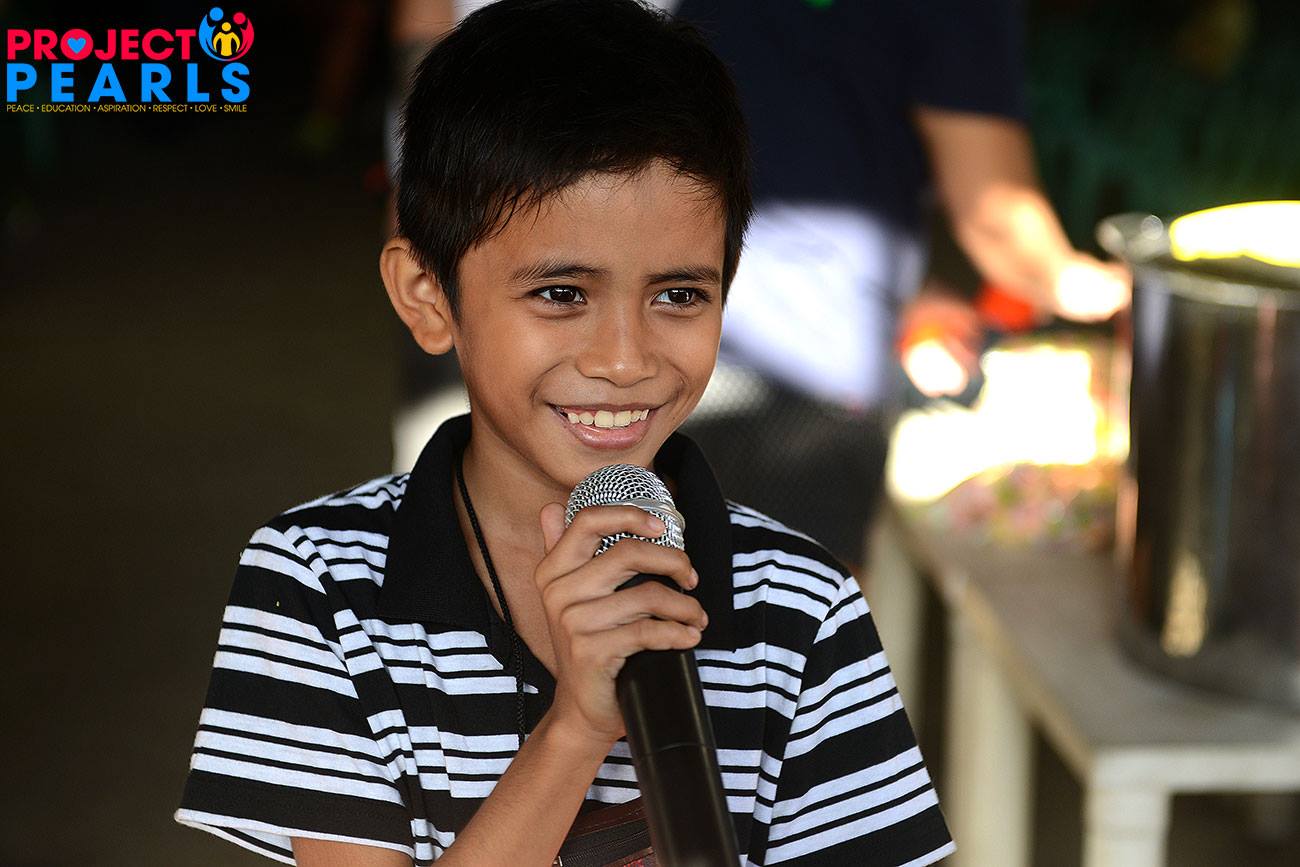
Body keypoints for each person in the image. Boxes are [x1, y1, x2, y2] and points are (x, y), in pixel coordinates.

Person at [175, 1, 954, 864]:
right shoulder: (319, 584)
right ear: (428, 297)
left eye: (678, 295)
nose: (624, 359)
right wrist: (576, 730)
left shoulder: (803, 608)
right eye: (561, 294)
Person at [676, 0, 1130, 572]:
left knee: (654, 601)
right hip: (801, 364)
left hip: (668, 320)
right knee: (798, 616)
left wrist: (915, 287)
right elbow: (996, 216)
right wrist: (1103, 288)